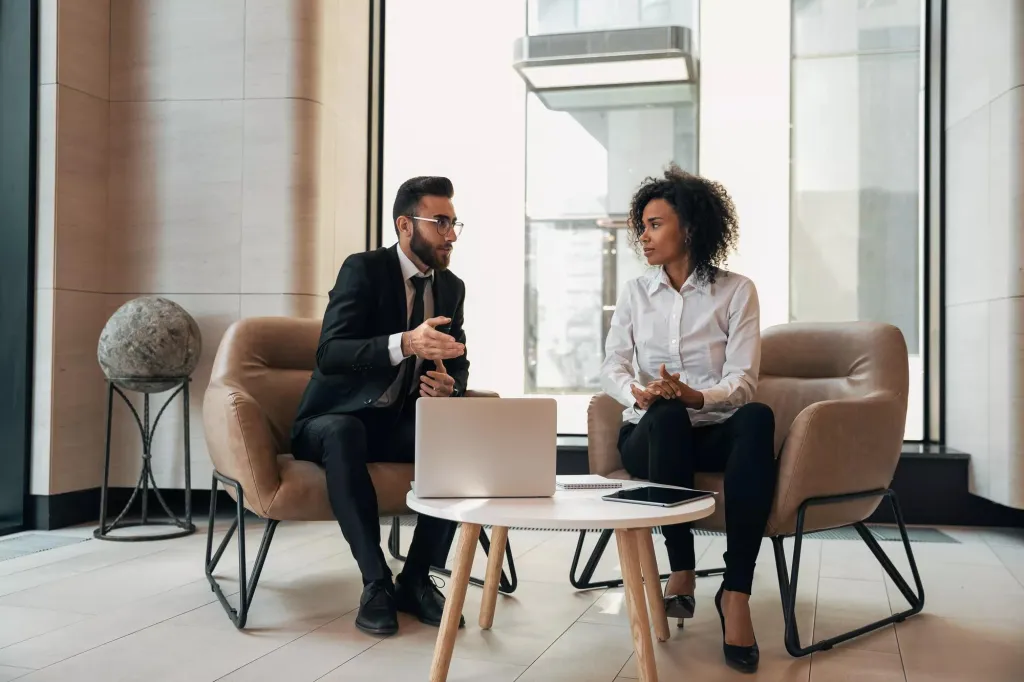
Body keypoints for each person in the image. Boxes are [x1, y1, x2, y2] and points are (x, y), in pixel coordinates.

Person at [600, 165, 777, 674]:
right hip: (649, 433)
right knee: (669, 415)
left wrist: (695, 394)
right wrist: (639, 390)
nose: (644, 236)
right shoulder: (635, 292)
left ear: (691, 229)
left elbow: (743, 381)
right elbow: (613, 363)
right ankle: (680, 568)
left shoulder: (737, 291)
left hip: (711, 426)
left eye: (655, 224)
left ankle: (736, 591)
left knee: (758, 417)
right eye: (643, 225)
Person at [291, 176, 470, 636]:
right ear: (405, 225)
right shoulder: (363, 270)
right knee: (345, 431)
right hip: (331, 419)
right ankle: (375, 583)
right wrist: (404, 343)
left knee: (452, 438)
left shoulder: (451, 288)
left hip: (394, 421)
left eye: (455, 223)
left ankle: (415, 578)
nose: (451, 234)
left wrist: (450, 386)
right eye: (442, 222)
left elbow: (458, 358)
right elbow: (329, 354)